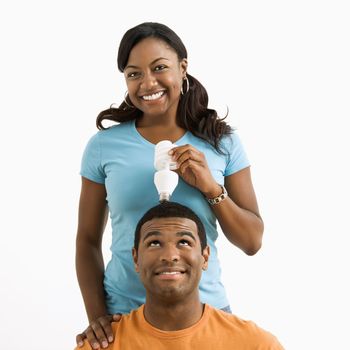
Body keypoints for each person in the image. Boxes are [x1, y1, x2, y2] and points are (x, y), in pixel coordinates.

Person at [76, 22, 264, 348]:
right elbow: (87, 240)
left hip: (206, 316)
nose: (147, 82)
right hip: (125, 318)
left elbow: (252, 241)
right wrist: (98, 319)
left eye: (159, 67)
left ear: (183, 68)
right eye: (134, 74)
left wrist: (210, 188)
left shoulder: (222, 142)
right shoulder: (104, 146)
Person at [75, 202, 282, 350]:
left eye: (184, 242)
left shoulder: (256, 345)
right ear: (136, 259)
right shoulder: (100, 346)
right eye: (154, 243)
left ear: (205, 256)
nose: (170, 256)